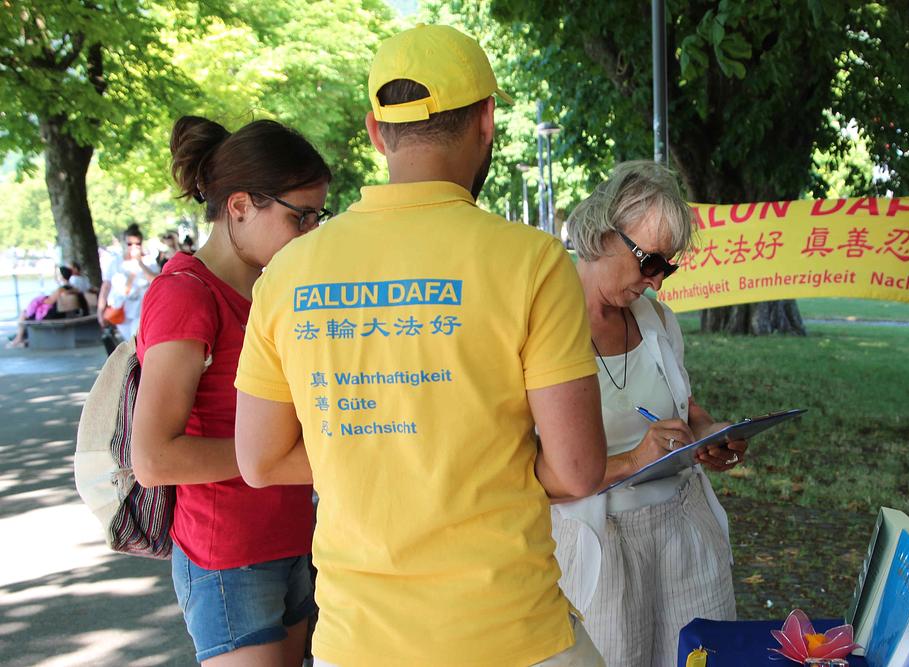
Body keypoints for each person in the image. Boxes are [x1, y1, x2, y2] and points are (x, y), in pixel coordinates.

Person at [233, 24, 608, 667]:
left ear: (377, 132)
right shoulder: (533, 261)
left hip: (356, 643)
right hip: (509, 632)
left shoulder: (288, 273)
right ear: (487, 120)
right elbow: (577, 470)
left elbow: (260, 461)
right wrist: (471, 462)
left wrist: (377, 455)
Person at [130, 115, 331, 666]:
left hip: (294, 537)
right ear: (240, 206)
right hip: (228, 559)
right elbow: (153, 458)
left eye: (319, 216)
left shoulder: (272, 290)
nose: (311, 231)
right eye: (300, 216)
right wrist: (279, 457)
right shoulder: (186, 295)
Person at [552, 161, 747, 667]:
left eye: (668, 267)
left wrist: (711, 433)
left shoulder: (657, 320)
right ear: (602, 233)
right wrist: (635, 460)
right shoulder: (546, 326)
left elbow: (686, 407)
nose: (657, 281)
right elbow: (531, 472)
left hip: (683, 532)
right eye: (650, 261)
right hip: (603, 545)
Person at [97, 223, 159, 340]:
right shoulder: (115, 262)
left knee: (136, 339)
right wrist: (100, 310)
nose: (133, 247)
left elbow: (156, 282)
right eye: (129, 244)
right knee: (128, 340)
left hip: (141, 310)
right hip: (120, 309)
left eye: (137, 244)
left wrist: (140, 263)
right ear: (123, 243)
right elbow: (106, 286)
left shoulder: (149, 261)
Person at [6, 265, 88, 348]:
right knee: (26, 315)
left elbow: (49, 301)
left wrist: (43, 299)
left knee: (24, 314)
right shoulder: (72, 288)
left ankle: (18, 339)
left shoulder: (61, 289)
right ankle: (20, 339)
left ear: (61, 276)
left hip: (53, 315)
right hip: (62, 313)